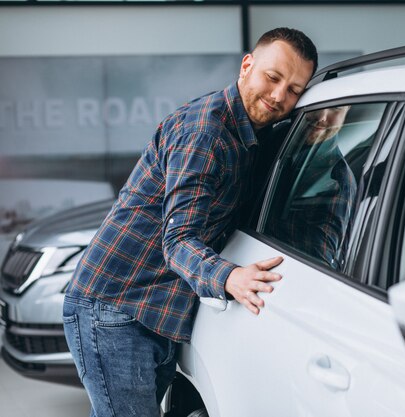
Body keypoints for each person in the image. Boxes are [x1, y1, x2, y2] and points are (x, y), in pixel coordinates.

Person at [62, 27, 317, 417]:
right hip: (114, 308)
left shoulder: (255, 134)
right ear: (247, 65)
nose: (280, 95)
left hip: (154, 310)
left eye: (295, 89)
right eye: (273, 77)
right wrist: (228, 277)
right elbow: (178, 240)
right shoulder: (206, 132)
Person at [266, 106, 356, 268]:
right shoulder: (276, 136)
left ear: (346, 111)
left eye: (336, 109)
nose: (322, 117)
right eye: (320, 107)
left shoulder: (337, 181)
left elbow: (316, 265)